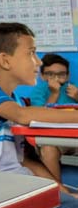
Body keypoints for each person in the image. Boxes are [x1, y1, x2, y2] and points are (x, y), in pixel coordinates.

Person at [0, 22, 78, 208]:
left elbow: (28, 159)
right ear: (5, 61)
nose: (38, 62)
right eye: (31, 53)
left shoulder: (14, 100)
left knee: (72, 198)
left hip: (15, 182)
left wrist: (60, 190)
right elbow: (23, 115)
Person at [30, 53, 78, 185]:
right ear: (42, 75)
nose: (56, 78)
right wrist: (54, 93)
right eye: (50, 74)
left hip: (74, 137)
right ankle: (56, 190)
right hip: (52, 139)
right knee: (48, 148)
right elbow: (40, 117)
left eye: (61, 74)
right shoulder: (39, 91)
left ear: (67, 75)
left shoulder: (73, 88)